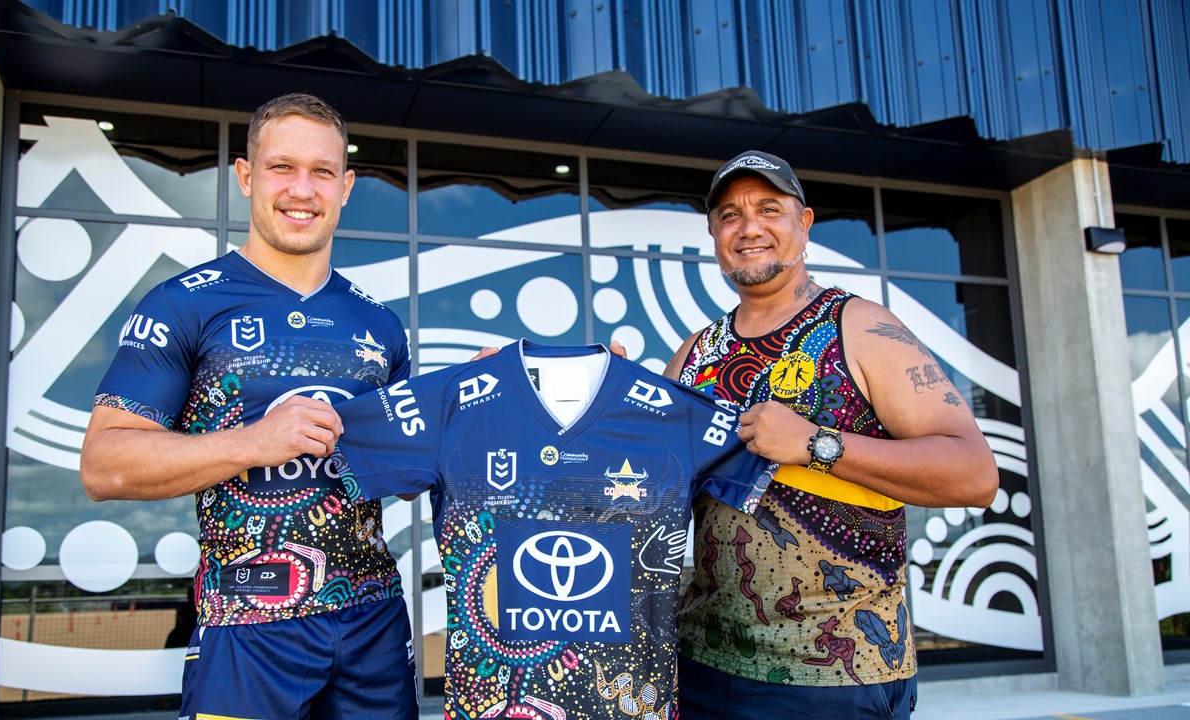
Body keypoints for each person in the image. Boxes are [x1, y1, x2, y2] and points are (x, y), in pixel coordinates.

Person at [80, 93, 417, 720]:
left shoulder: (381, 325)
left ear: (345, 188)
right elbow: (105, 465)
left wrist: (487, 393)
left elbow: (408, 473)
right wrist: (253, 442)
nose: (302, 190)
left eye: (322, 172)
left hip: (374, 622)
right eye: (281, 167)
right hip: (245, 623)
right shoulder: (183, 303)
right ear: (245, 176)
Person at [669, 150, 1000, 718]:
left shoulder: (863, 327)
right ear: (714, 234)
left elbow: (974, 474)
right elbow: (644, 491)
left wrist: (816, 444)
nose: (748, 228)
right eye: (729, 215)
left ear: (804, 224)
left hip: (835, 675)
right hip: (700, 665)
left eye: (768, 209)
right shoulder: (694, 353)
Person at [328, 339, 777, 720]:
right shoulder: (452, 401)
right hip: (495, 705)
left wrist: (811, 443)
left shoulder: (675, 413)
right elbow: (339, 431)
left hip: (634, 704)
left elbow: (764, 456)